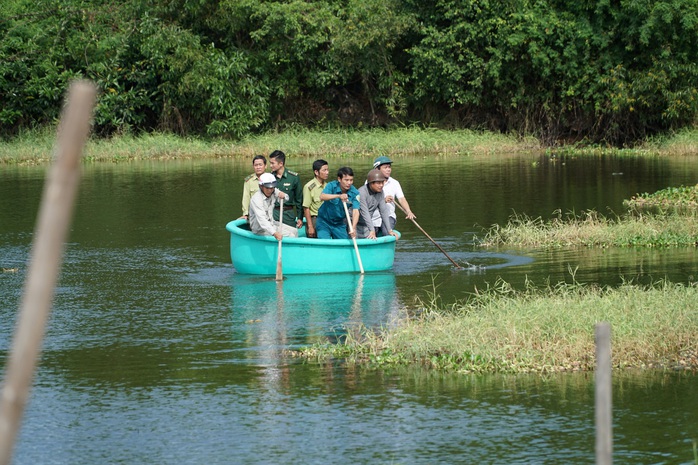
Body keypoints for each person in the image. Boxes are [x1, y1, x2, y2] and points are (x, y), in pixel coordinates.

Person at [371, 156, 416, 236]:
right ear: (377, 169)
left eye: (389, 167)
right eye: (385, 167)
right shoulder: (370, 182)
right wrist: (383, 200)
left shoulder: (395, 183)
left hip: (388, 216)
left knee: (386, 232)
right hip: (373, 216)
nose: (388, 169)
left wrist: (408, 211)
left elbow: (402, 199)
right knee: (368, 234)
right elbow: (368, 201)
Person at [248, 173, 298, 239]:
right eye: (267, 188)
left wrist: (283, 195)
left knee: (295, 231)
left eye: (272, 188)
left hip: (272, 223)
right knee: (290, 236)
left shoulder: (273, 191)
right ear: (261, 186)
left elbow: (285, 199)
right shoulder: (256, 199)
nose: (270, 190)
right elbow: (262, 220)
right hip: (260, 229)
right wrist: (274, 233)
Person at [316, 167, 360, 239]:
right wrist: (338, 196)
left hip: (339, 223)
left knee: (343, 244)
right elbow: (322, 196)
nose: (349, 183)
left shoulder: (355, 192)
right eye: (346, 180)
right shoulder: (331, 185)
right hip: (324, 221)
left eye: (351, 180)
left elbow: (356, 211)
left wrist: (353, 227)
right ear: (339, 179)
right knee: (325, 242)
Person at [356, 169, 399, 240]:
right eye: (378, 183)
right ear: (371, 183)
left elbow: (383, 211)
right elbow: (365, 212)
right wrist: (372, 230)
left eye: (382, 182)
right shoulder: (362, 192)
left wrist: (389, 230)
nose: (381, 185)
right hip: (354, 224)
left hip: (366, 225)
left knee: (370, 242)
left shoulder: (380, 192)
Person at [269, 150, 303, 230]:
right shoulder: (269, 177)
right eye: (270, 163)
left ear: (281, 164)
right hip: (274, 213)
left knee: (291, 234)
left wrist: (300, 217)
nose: (270, 165)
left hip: (288, 214)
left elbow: (299, 199)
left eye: (272, 163)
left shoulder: (293, 177)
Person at [302, 159, 329, 238]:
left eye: (327, 170)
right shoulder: (309, 187)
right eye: (324, 170)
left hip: (326, 219)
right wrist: (310, 227)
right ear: (316, 172)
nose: (327, 172)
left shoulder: (328, 186)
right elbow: (306, 208)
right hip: (315, 220)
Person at [240, 154, 267, 219]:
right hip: (254, 213)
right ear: (253, 166)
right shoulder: (249, 180)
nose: (258, 167)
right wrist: (245, 214)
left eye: (260, 165)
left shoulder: (270, 178)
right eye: (256, 165)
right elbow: (246, 197)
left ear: (265, 166)